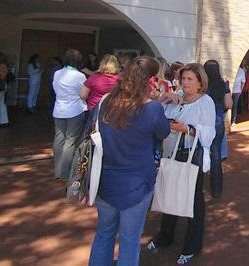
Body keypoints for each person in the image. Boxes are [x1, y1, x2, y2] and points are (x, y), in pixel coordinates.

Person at [88, 56, 170, 266]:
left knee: (104, 234)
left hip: (105, 180)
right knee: (130, 240)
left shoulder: (105, 102)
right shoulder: (152, 108)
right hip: (137, 184)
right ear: (150, 80)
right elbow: (163, 132)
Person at [148, 63, 216, 265]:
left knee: (193, 200)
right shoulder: (175, 98)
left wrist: (187, 128)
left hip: (191, 154)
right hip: (171, 153)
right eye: (183, 78)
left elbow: (210, 132)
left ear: (199, 82)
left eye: (189, 79)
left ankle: (192, 246)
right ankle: (165, 237)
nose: (184, 83)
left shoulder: (206, 102)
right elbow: (155, 119)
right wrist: (162, 99)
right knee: (169, 194)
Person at [52, 49, 87, 180]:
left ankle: (57, 170)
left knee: (59, 138)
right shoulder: (80, 76)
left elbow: (55, 88)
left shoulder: (57, 73)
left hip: (59, 109)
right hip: (75, 110)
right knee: (71, 141)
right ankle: (65, 172)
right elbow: (83, 93)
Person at [204, 59, 232, 197]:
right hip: (217, 120)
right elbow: (229, 104)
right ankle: (216, 188)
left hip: (202, 121)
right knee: (216, 155)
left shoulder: (202, 84)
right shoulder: (223, 84)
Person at [80, 55, 121, 126]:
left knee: (92, 134)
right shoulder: (121, 80)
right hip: (113, 111)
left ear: (101, 64)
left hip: (94, 110)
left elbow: (83, 96)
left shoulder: (94, 77)